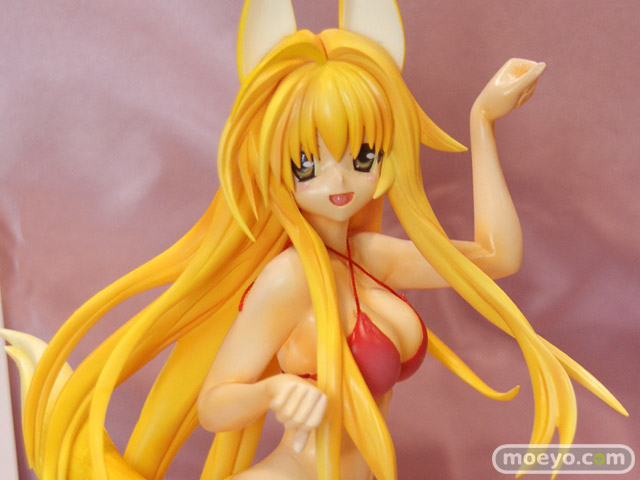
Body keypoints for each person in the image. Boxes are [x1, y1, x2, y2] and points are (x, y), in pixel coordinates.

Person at [3, 1, 626, 479]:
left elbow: (495, 257)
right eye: (308, 164)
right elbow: (216, 403)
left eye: (360, 157)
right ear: (276, 168)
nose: (339, 181)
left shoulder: (368, 259)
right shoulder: (288, 278)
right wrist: (273, 390)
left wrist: (481, 122)